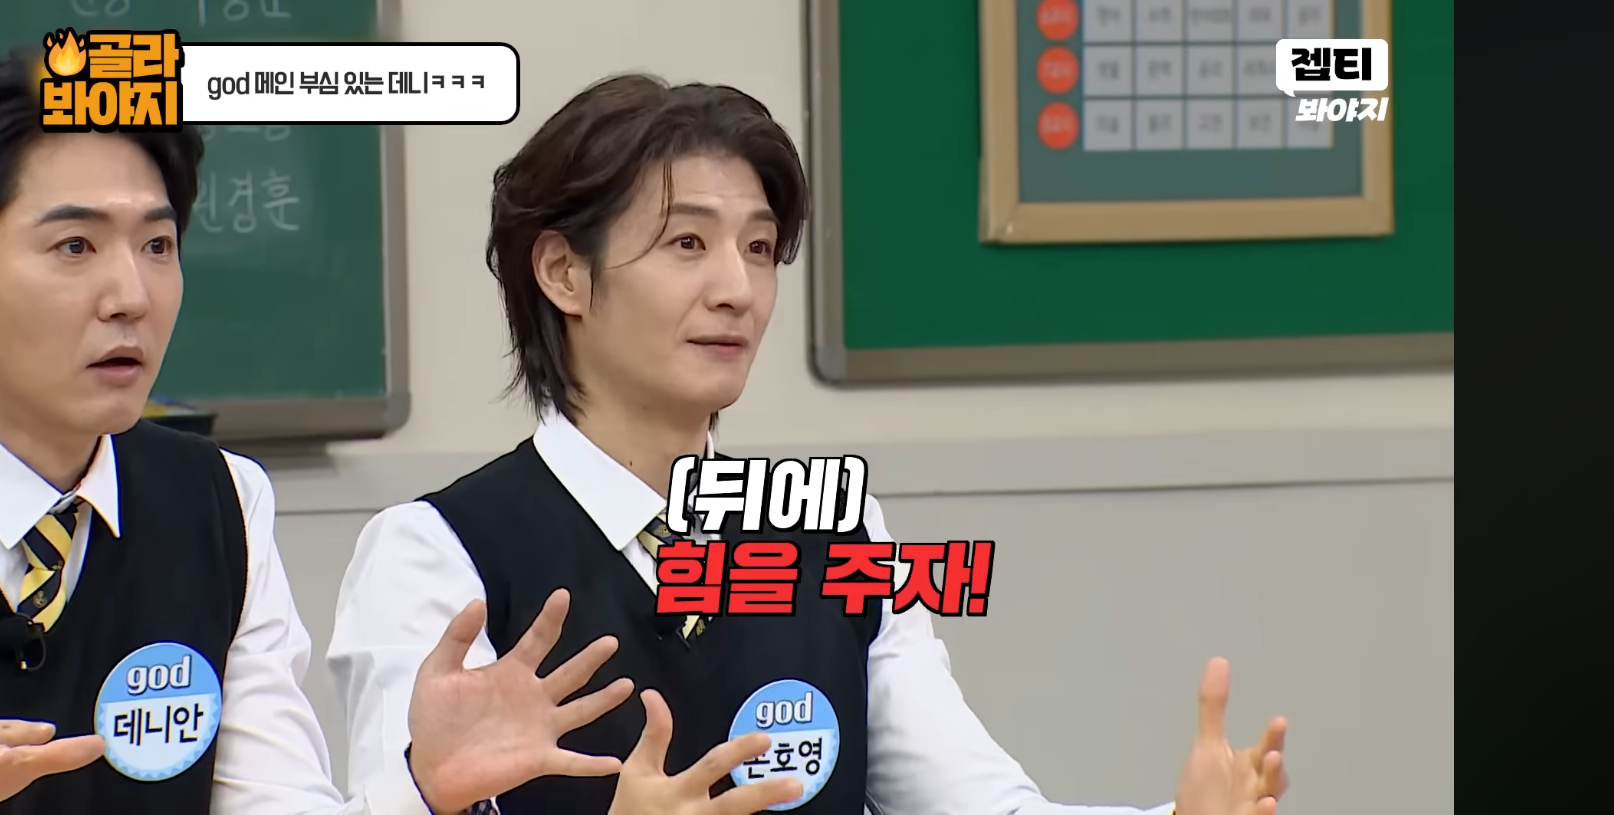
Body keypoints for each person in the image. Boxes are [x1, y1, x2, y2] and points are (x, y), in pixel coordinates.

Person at [327, 73, 1294, 814]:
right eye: (687, 244)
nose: (738, 291)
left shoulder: (833, 532)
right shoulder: (437, 554)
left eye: (758, 248)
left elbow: (977, 803)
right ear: (563, 274)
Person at [0, 51, 632, 814]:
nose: (131, 295)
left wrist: (420, 789)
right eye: (75, 247)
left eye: (157, 245)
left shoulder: (218, 502)